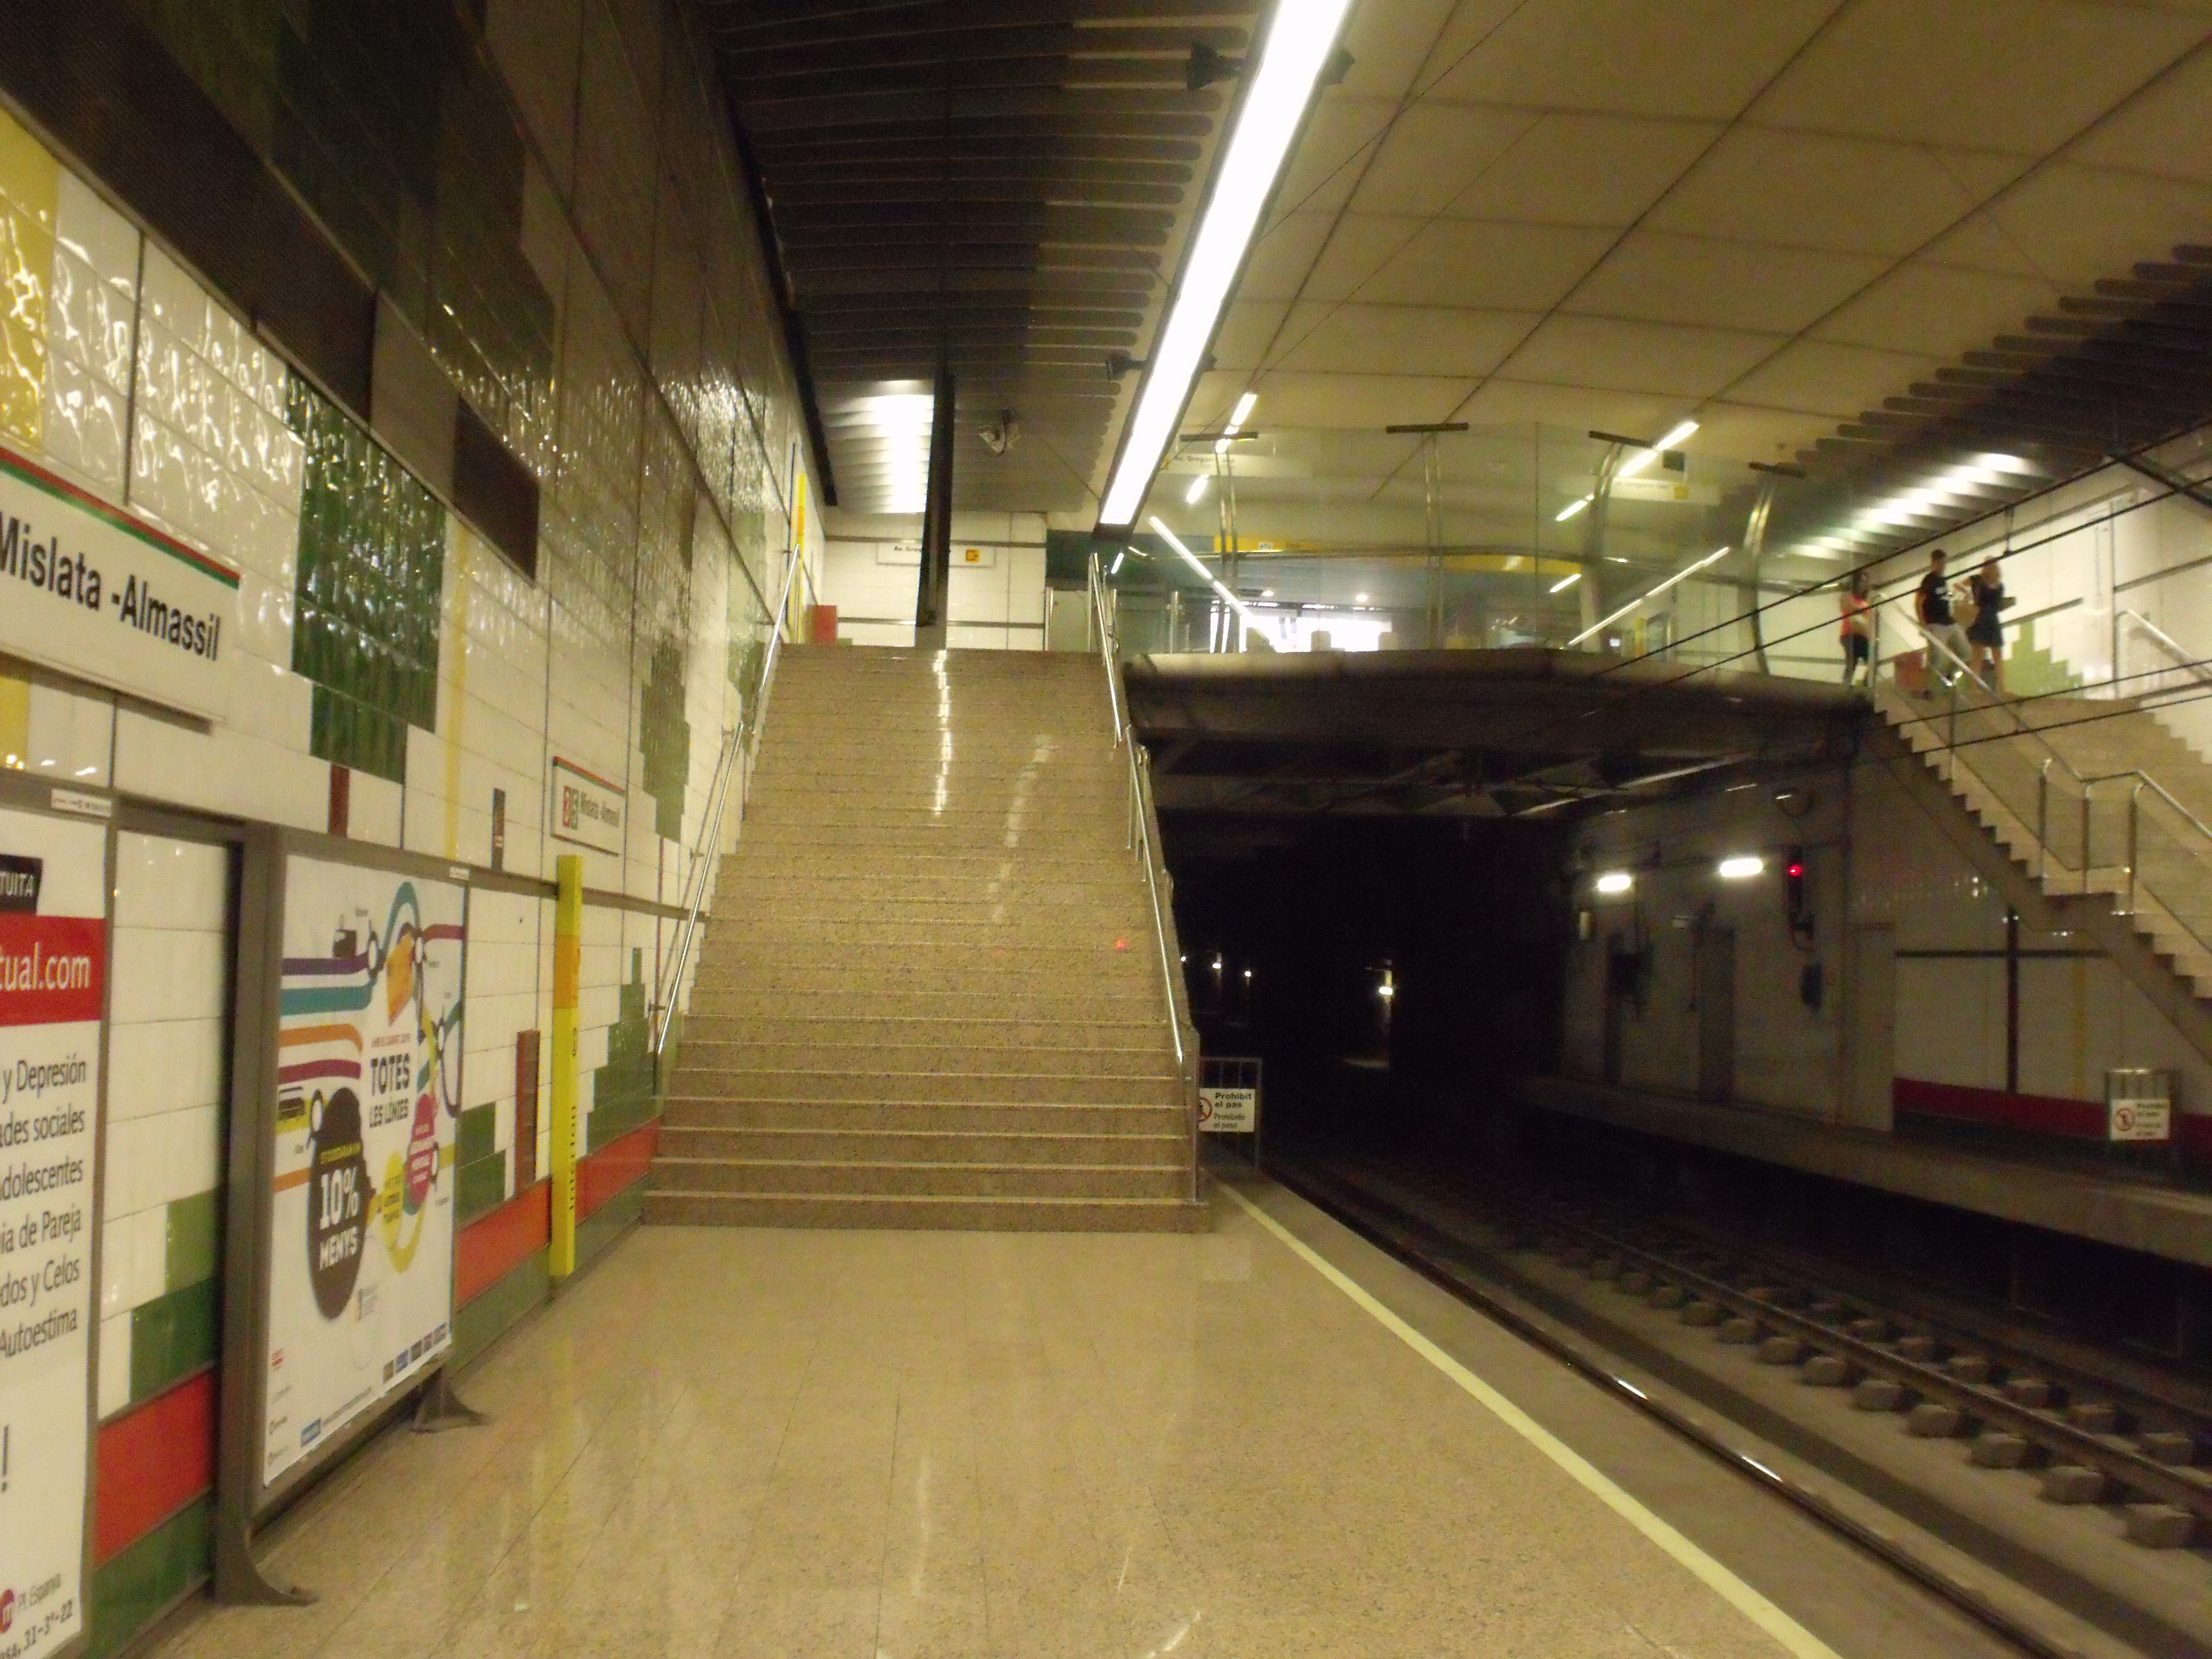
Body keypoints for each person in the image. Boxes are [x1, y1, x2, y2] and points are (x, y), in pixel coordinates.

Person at [1915, 548, 1971, 688]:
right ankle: (1926, 687)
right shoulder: (1929, 580)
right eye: (1940, 563)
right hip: (1935, 623)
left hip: (1948, 621)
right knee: (1936, 657)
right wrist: (1923, 624)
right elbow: (1919, 602)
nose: (1943, 566)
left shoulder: (1943, 580)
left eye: (1944, 563)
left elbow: (1944, 599)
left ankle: (1950, 674)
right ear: (1934, 563)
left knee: (1966, 651)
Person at [1966, 556, 2012, 692]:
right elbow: (1958, 585)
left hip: (1991, 619)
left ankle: (2003, 686)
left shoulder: (2000, 585)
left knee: (1996, 655)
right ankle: (1974, 687)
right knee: (1979, 656)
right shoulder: (1977, 580)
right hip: (1981, 618)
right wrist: (1968, 595)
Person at [1839, 569, 1874, 686]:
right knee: (1851, 664)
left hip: (1863, 637)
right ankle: (1845, 688)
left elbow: (1868, 620)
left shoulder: (1864, 601)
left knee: (1872, 662)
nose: (1863, 585)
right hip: (1850, 634)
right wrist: (1862, 610)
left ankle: (1864, 684)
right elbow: (1849, 607)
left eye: (1865, 582)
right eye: (1861, 581)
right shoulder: (1847, 596)